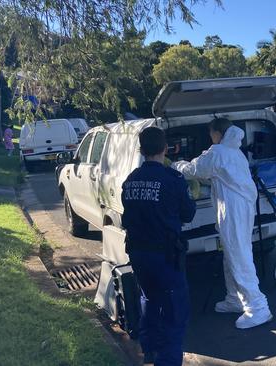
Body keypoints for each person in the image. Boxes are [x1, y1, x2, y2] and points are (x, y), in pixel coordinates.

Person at [172, 118, 273, 329]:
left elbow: (195, 170)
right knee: (233, 253)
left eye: (211, 134)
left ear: (218, 133)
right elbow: (217, 175)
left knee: (239, 256)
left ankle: (258, 307)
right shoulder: (234, 151)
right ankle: (235, 298)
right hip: (240, 207)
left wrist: (176, 164)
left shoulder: (217, 152)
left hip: (233, 209)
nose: (210, 138)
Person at [121, 126, 196, 366]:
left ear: (141, 150)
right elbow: (188, 214)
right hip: (165, 256)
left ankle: (149, 351)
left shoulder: (130, 180)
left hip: (138, 254)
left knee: (149, 301)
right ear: (166, 149)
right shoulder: (173, 179)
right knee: (174, 313)